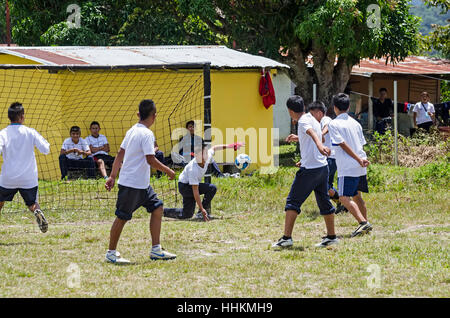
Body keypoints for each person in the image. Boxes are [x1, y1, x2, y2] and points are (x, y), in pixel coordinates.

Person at [104, 99, 177, 264]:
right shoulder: (146, 134)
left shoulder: (131, 131)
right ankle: (111, 252)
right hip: (131, 184)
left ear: (138, 114)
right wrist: (168, 171)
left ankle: (156, 250)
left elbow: (119, 154)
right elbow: (150, 159)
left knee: (157, 208)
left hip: (142, 185)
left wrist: (112, 176)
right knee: (122, 217)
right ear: (154, 116)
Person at [272, 97, 338, 249]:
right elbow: (317, 135)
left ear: (290, 111)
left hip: (310, 170)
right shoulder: (312, 118)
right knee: (324, 202)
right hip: (322, 167)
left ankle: (286, 238)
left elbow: (314, 135)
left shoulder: (303, 121)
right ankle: (331, 237)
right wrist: (300, 139)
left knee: (292, 202)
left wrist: (320, 147)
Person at [328, 93, 373, 237]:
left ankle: (363, 223)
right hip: (360, 164)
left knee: (343, 198)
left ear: (335, 108)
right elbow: (360, 144)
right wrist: (361, 160)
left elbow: (341, 143)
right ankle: (365, 223)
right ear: (348, 107)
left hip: (347, 166)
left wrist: (357, 159)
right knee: (357, 196)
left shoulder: (334, 123)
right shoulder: (356, 123)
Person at [0, 102, 50, 233]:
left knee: (0, 201)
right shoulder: (30, 132)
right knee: (32, 202)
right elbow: (46, 149)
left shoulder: (3, 133)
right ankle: (37, 211)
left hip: (8, 178)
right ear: (22, 117)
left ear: (9, 117)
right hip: (28, 178)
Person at [163, 141, 244, 221]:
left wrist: (231, 145)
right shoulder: (193, 169)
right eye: (201, 155)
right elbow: (195, 191)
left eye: (205, 153)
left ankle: (163, 212)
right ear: (195, 155)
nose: (204, 156)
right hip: (185, 186)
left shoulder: (207, 156)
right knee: (188, 213)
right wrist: (202, 209)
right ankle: (199, 214)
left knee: (188, 213)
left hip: (191, 185)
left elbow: (215, 148)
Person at [321, 113, 348, 215]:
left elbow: (327, 125)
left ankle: (342, 202)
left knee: (323, 185)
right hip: (330, 158)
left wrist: (321, 134)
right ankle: (342, 203)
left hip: (330, 158)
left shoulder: (325, 118)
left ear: (319, 113)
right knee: (326, 185)